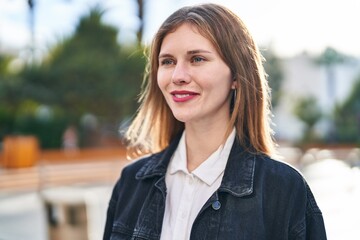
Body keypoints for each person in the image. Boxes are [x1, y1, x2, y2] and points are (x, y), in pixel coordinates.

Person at [103, 3, 327, 240]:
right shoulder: (130, 183)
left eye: (197, 59)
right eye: (167, 61)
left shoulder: (284, 190)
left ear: (237, 76)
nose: (178, 76)